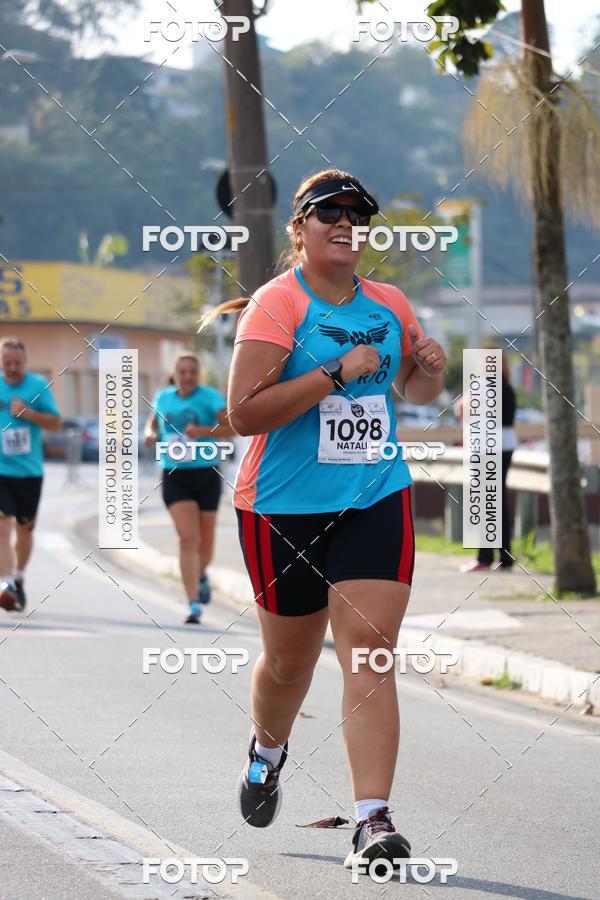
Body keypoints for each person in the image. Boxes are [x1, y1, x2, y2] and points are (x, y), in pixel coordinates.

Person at [200, 170, 447, 870]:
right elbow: (244, 412)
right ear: (299, 228)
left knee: (370, 650)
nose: (345, 223)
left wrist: (430, 367)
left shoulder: (390, 302)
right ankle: (267, 750)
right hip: (283, 508)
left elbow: (413, 389)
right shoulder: (278, 304)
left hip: (374, 494)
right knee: (289, 664)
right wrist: (335, 372)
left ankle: (373, 820)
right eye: (328, 213)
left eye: (357, 215)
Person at [143, 354, 234, 624]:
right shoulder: (163, 397)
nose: (188, 376)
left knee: (205, 545)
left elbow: (231, 428)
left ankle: (200, 574)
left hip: (206, 474)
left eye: (193, 371)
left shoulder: (210, 397)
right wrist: (149, 435)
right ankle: (193, 603)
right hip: (175, 475)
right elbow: (153, 424)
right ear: (175, 374)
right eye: (182, 371)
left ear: (199, 374)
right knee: (187, 539)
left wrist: (203, 431)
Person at [0, 337, 61, 612]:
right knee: (2, 527)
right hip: (1, 471)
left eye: (17, 363)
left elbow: (56, 423)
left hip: (29, 473)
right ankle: (6, 585)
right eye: (7, 363)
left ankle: (18, 577)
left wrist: (28, 413)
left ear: (25, 362)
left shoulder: (37, 386)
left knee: (24, 534)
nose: (12, 368)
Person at [460, 353, 517, 572]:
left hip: (486, 448)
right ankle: (505, 557)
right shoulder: (507, 386)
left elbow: (465, 411)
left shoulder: (482, 385)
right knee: (497, 500)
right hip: (505, 446)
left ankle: (484, 557)